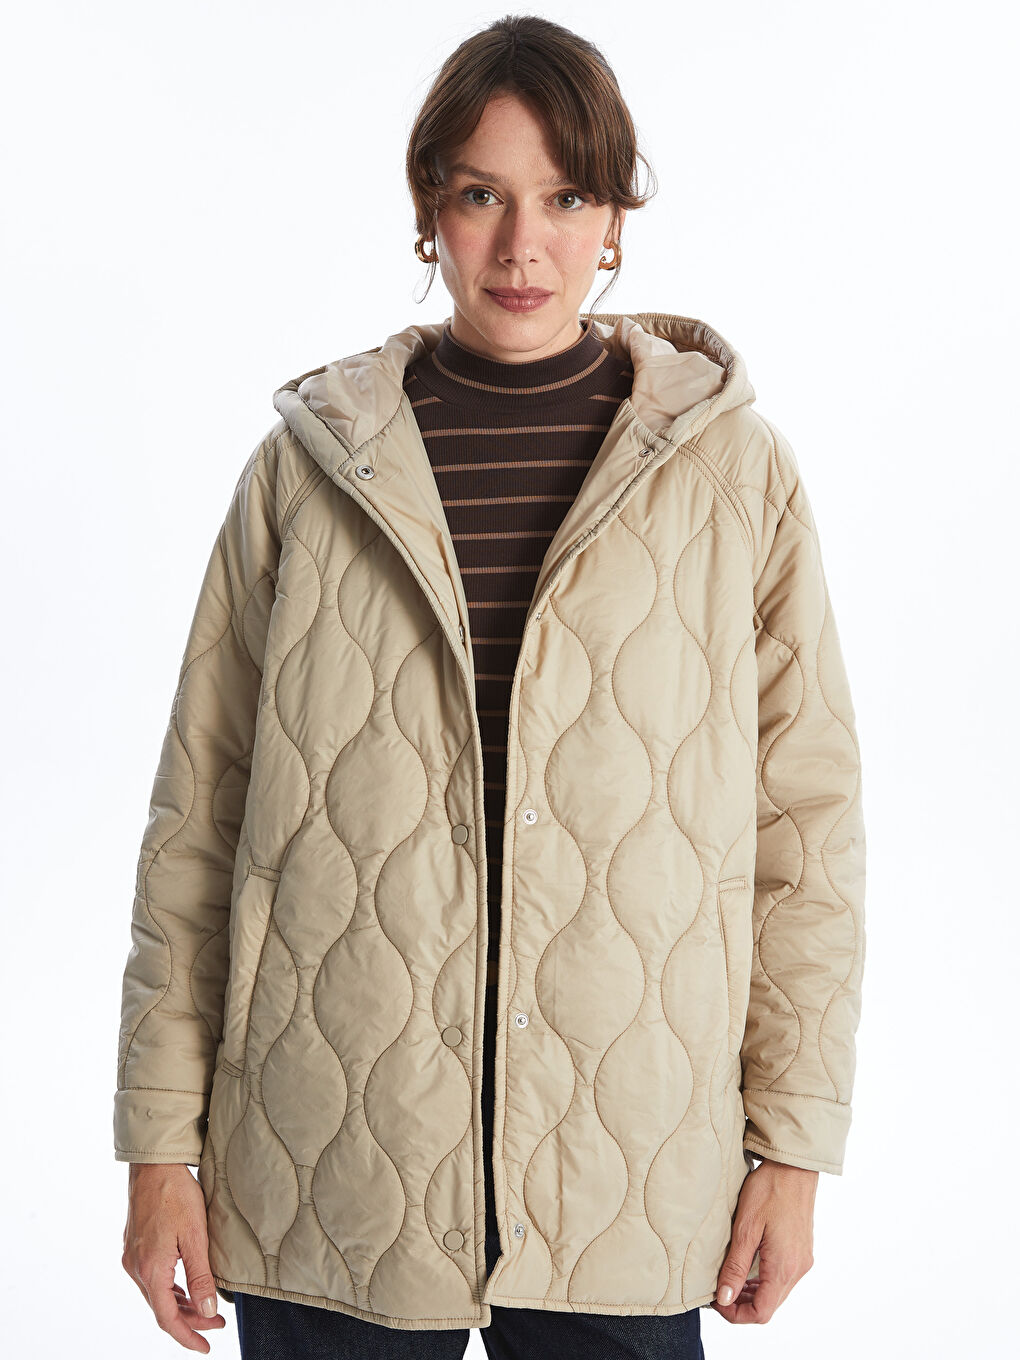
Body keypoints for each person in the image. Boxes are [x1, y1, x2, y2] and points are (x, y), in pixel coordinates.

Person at [115, 14, 866, 1359]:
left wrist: (794, 1146)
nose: (525, 246)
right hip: (333, 1167)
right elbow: (198, 827)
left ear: (615, 216)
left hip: (626, 1173)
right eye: (482, 195)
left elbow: (802, 838)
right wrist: (158, 1148)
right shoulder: (306, 475)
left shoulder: (734, 477)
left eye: (566, 198)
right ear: (429, 210)